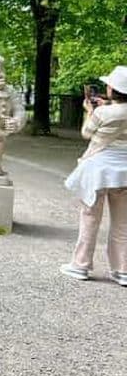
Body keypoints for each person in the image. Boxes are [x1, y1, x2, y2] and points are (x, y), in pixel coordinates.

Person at [61, 65, 127, 287]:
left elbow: (86, 133)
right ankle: (122, 270)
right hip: (124, 172)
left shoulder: (102, 112)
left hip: (99, 170)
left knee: (90, 218)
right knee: (122, 224)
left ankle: (81, 265)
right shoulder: (110, 110)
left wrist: (90, 111)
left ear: (112, 90)